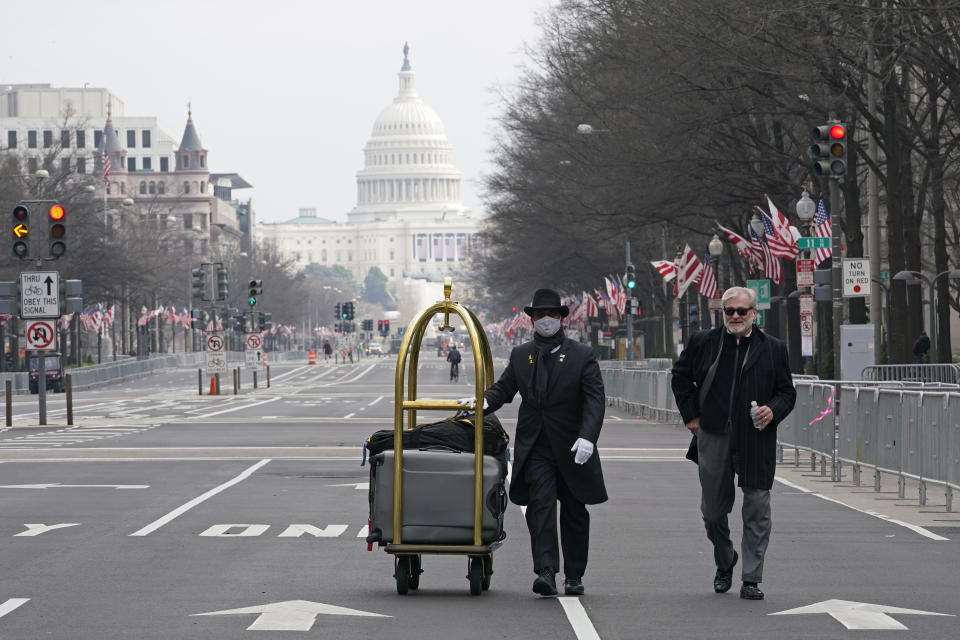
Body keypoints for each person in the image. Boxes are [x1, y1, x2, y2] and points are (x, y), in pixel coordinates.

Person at [460, 288, 606, 597]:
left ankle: (574, 575)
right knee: (540, 508)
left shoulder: (582, 355)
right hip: (537, 445)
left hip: (573, 445)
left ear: (562, 318)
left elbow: (595, 400)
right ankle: (546, 571)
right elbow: (503, 389)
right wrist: (480, 403)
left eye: (552, 315)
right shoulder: (521, 355)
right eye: (540, 315)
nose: (547, 321)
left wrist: (588, 438)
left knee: (574, 511)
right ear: (532, 320)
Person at [670, 286, 796, 601]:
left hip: (756, 439)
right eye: (730, 311)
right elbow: (680, 377)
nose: (736, 316)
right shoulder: (704, 343)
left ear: (755, 313)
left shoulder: (773, 348)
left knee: (757, 508)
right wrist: (691, 417)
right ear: (723, 313)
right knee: (712, 512)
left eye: (742, 311)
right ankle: (725, 559)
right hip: (713, 435)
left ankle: (751, 578)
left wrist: (773, 410)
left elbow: (786, 392)